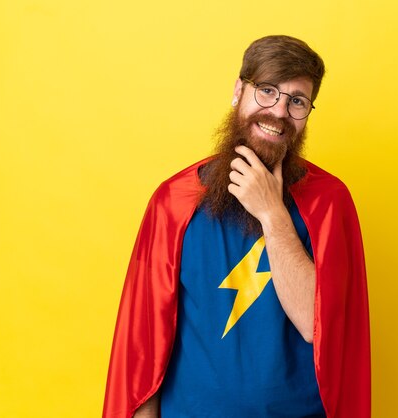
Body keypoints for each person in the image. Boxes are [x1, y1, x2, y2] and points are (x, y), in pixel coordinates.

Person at [103, 35, 371, 418]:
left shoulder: (329, 202)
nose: (279, 111)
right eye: (267, 91)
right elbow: (143, 353)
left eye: (297, 101)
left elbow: (318, 326)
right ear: (238, 92)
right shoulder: (174, 202)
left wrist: (272, 213)